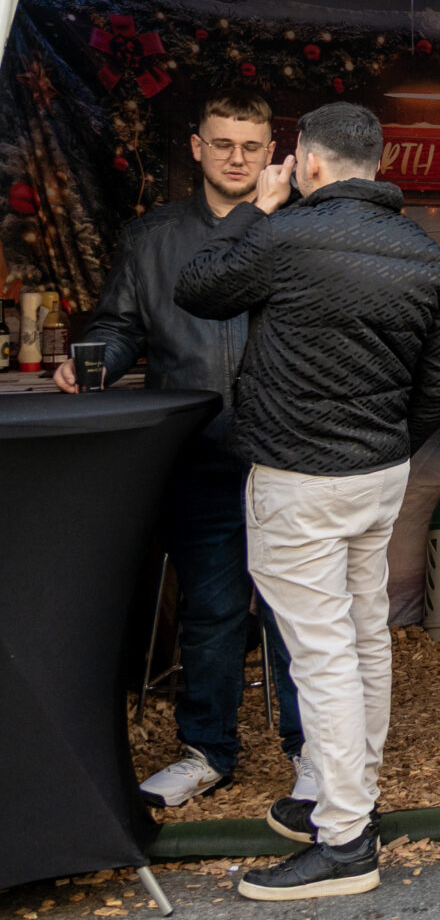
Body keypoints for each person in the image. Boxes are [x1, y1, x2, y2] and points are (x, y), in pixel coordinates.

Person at [176, 103, 440, 902]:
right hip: (378, 475)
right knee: (362, 636)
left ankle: (344, 840)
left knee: (325, 652)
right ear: (379, 162)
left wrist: (258, 208)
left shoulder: (285, 233)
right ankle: (346, 797)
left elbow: (197, 286)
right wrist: (386, 447)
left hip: (299, 477)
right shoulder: (428, 255)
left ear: (306, 161)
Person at [56, 93, 307, 807]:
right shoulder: (153, 238)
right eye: (222, 143)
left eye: (251, 145)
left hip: (287, 453)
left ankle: (314, 753)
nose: (237, 157)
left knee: (297, 613)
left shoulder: (298, 229)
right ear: (196, 147)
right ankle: (207, 752)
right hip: (199, 454)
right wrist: (93, 361)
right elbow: (118, 326)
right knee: (212, 610)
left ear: (272, 151)